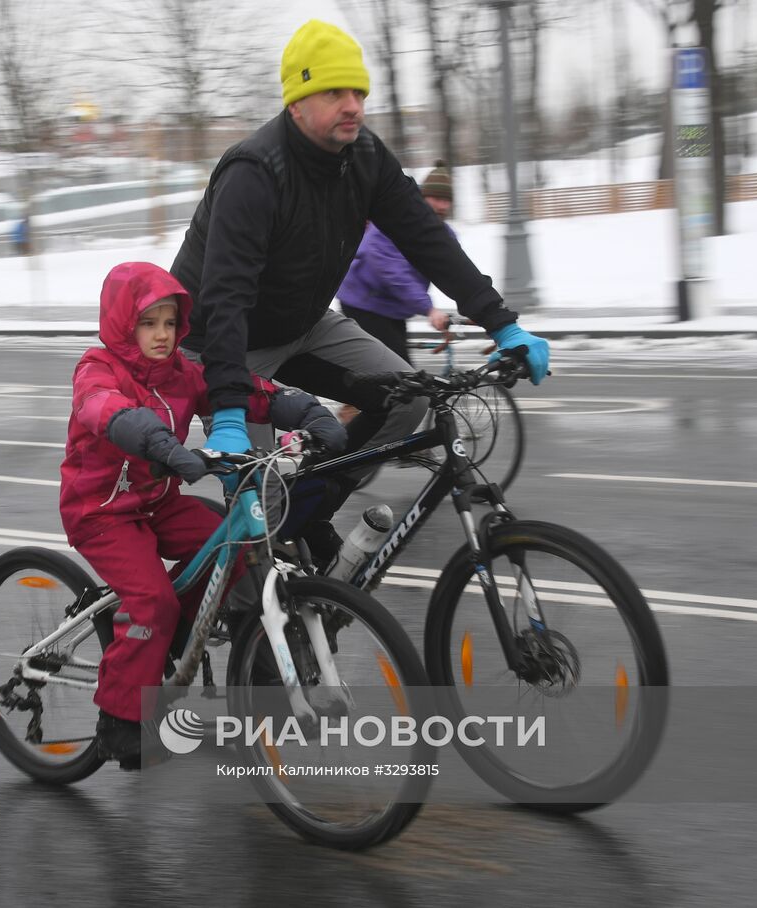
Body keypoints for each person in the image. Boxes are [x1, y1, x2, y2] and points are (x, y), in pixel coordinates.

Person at [169, 19, 550, 566]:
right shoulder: (254, 172)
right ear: (297, 102)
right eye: (334, 92)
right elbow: (224, 296)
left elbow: (427, 240)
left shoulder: (365, 157)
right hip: (224, 340)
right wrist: (228, 407)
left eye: (359, 92)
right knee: (260, 507)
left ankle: (310, 511)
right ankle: (239, 608)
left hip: (302, 324)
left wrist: (501, 323)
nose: (353, 104)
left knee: (410, 396)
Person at [60, 261, 345, 769]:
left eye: (170, 323)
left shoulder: (182, 374)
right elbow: (102, 409)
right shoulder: (97, 367)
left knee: (231, 549)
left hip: (157, 502)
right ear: (124, 322)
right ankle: (118, 719)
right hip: (101, 511)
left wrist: (307, 411)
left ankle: (175, 643)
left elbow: (245, 389)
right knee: (151, 602)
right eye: (148, 323)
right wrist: (158, 443)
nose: (162, 335)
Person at [338, 161, 457, 368]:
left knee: (394, 378)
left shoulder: (444, 234)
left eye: (447, 200)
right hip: (364, 303)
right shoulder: (394, 222)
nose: (442, 206)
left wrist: (479, 310)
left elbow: (456, 272)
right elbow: (394, 274)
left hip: (393, 308)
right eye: (437, 199)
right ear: (423, 197)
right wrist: (429, 309)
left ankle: (359, 399)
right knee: (401, 373)